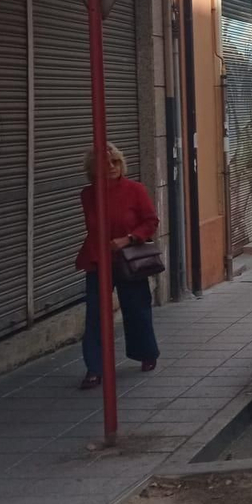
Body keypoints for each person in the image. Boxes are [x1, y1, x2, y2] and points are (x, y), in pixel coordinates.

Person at [75, 142, 160, 390]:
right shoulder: (88, 194)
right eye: (106, 163)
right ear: (94, 168)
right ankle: (95, 367)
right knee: (95, 314)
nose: (112, 167)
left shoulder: (135, 190)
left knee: (136, 309)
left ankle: (146, 352)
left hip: (129, 258)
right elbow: (94, 226)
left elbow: (150, 220)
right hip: (98, 259)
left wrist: (129, 238)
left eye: (116, 162)